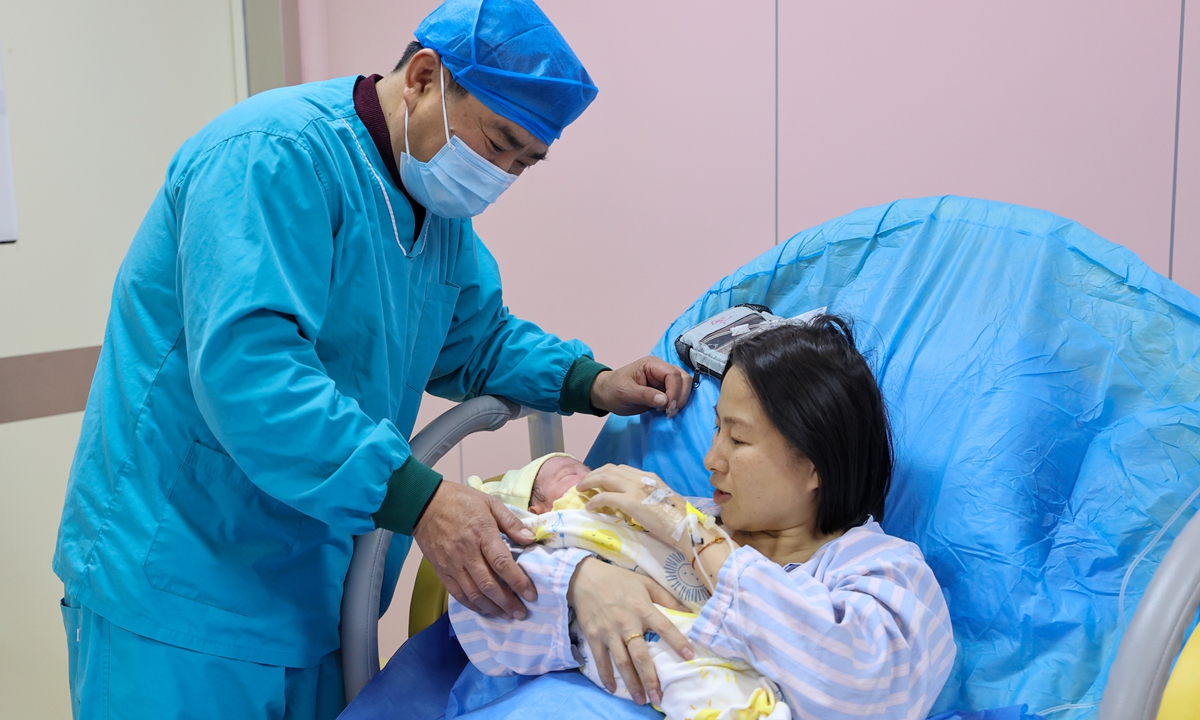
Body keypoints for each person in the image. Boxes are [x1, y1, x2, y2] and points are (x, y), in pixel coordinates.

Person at [51, 1, 691, 718]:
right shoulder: (270, 157)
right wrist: (422, 501)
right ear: (422, 77)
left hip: (311, 592)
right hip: (180, 588)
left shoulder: (434, 212)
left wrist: (592, 382)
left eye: (525, 161)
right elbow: (253, 375)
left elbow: (476, 338)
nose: (502, 173)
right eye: (500, 141)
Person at [448, 316, 957, 719]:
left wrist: (698, 538)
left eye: (738, 439)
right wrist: (581, 584)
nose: (712, 459)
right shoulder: (660, 510)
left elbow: (864, 692)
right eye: (716, 431)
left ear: (813, 464)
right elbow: (476, 593)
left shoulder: (882, 571)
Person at [461, 451, 793, 719]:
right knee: (676, 669)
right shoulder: (542, 530)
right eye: (567, 475)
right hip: (642, 640)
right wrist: (577, 577)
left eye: (587, 467)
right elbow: (490, 578)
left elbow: (692, 523)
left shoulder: (661, 505)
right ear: (535, 509)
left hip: (709, 611)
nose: (586, 474)